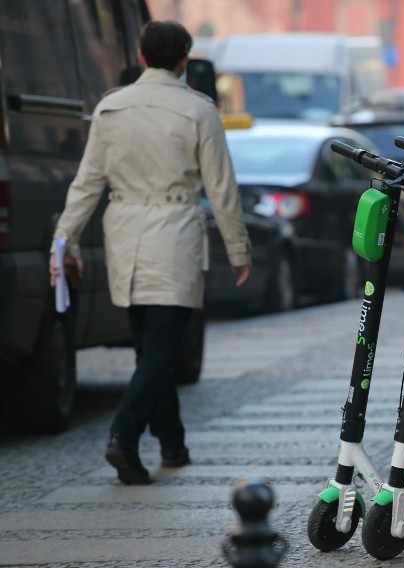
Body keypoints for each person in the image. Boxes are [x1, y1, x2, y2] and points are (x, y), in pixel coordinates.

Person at [49, 21, 252, 485]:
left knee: (150, 346)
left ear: (140, 57)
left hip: (124, 234)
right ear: (185, 59)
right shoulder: (198, 111)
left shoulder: (110, 108)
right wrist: (238, 249)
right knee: (161, 349)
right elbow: (221, 189)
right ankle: (124, 434)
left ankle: (172, 443)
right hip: (174, 234)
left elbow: (87, 184)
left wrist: (65, 239)